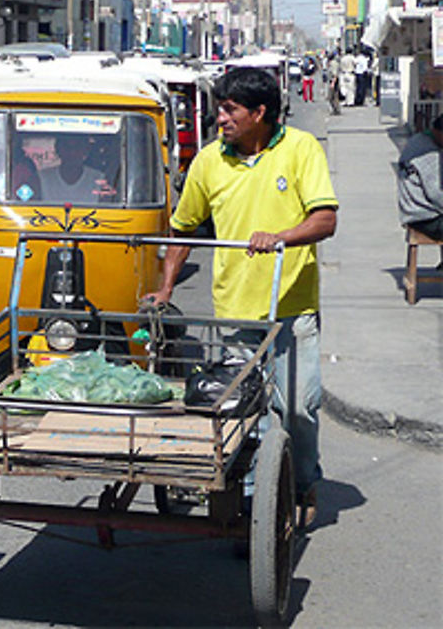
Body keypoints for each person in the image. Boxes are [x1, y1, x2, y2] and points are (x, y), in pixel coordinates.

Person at [146, 67, 338, 525]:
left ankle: (304, 479)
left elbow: (325, 220)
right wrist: (166, 286)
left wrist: (281, 237)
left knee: (297, 406)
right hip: (234, 311)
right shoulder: (209, 161)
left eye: (231, 110)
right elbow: (183, 227)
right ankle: (257, 500)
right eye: (221, 109)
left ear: (260, 112)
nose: (221, 119)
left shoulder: (300, 149)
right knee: (246, 412)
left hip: (291, 308)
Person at [397, 113, 443, 245]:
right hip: (424, 217)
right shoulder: (430, 154)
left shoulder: (418, 140)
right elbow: (436, 195)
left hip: (413, 212)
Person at [326, 50, 342, 115]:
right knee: (334, 96)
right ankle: (336, 110)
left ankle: (336, 109)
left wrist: (333, 83)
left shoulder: (333, 63)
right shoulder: (331, 63)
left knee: (331, 96)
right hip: (333, 80)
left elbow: (335, 74)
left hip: (334, 81)